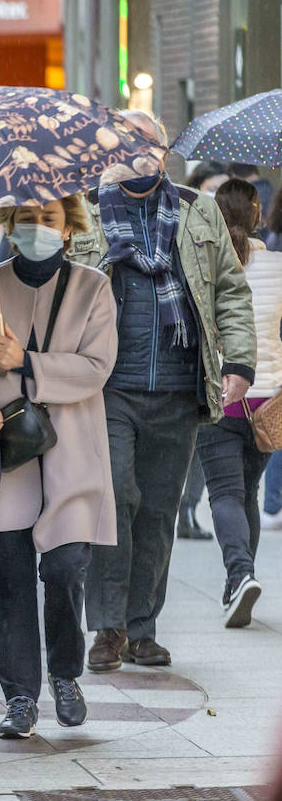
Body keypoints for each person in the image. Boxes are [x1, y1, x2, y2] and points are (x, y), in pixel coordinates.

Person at [76, 110, 256, 673]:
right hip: (108, 386)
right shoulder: (86, 213)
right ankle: (107, 628)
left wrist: (241, 360)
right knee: (116, 500)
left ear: (164, 150)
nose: (139, 151)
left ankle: (141, 628)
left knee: (156, 509)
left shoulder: (196, 210)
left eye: (149, 142)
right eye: (127, 142)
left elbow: (229, 288)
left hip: (179, 386)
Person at [0, 194, 119, 739]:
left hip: (72, 454)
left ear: (69, 229)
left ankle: (65, 675)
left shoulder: (93, 287)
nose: (38, 227)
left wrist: (27, 363)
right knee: (14, 578)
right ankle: (20, 696)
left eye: (49, 218)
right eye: (27, 218)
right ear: (9, 225)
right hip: (7, 457)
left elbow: (96, 368)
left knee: (66, 570)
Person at [195, 179, 282, 627]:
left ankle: (240, 574)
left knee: (226, 492)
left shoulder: (208, 269)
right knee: (246, 489)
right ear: (257, 215)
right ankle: (241, 579)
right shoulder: (280, 268)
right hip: (268, 404)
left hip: (222, 398)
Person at [176, 162, 230, 541]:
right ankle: (184, 509)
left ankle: (189, 509)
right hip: (193, 362)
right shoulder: (188, 228)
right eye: (212, 189)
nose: (218, 196)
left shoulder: (231, 244)